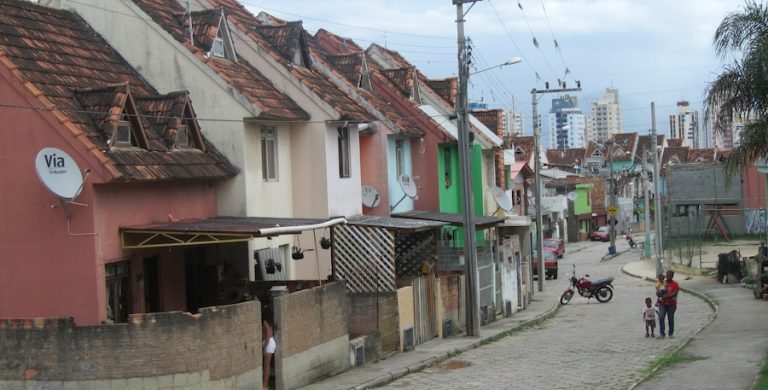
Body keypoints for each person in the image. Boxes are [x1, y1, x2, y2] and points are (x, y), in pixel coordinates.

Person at [657, 270, 680, 339]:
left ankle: (671, 333)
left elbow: (675, 293)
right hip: (662, 303)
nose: (668, 276)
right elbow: (658, 292)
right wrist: (658, 292)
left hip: (671, 304)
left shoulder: (675, 284)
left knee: (670, 318)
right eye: (667, 275)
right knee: (661, 316)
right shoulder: (662, 283)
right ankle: (662, 333)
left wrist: (667, 296)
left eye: (670, 275)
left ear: (672, 276)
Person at [262, 315, 276, 390]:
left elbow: (267, 334)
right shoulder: (270, 322)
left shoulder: (264, 322)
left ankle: (265, 386)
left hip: (268, 343)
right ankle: (265, 385)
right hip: (269, 342)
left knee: (266, 366)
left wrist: (264, 348)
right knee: (266, 366)